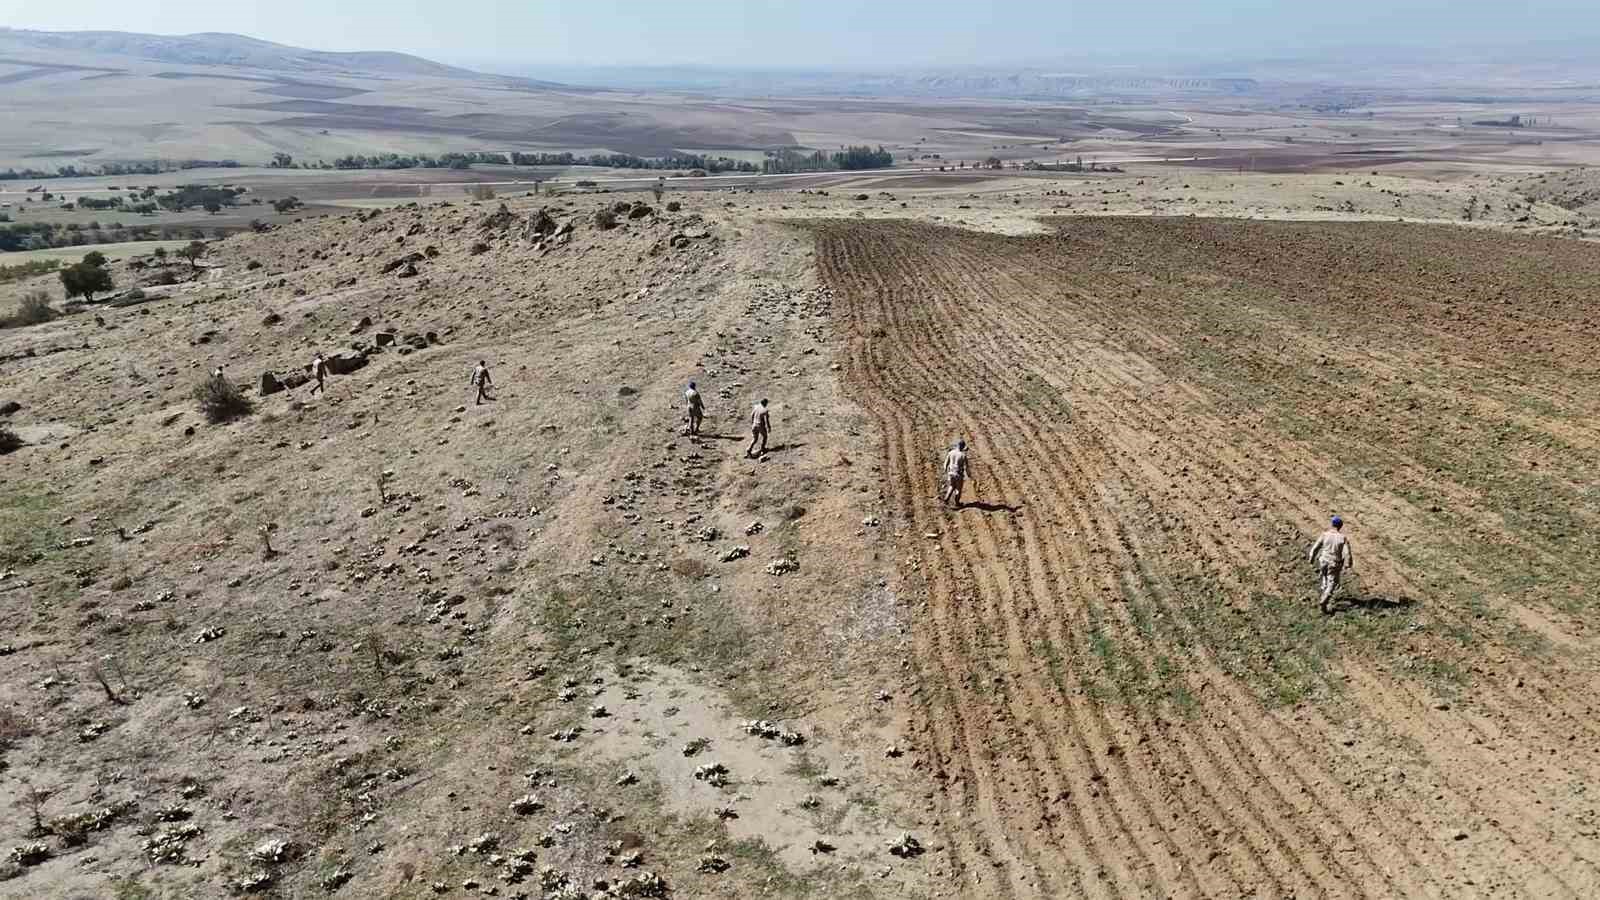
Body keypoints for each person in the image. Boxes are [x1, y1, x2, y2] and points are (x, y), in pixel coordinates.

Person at [1308, 516, 1354, 614]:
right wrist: (1349, 563)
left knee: (1324, 577)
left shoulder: (1325, 535)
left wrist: (1311, 559)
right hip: (1334, 563)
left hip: (1323, 561)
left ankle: (1323, 595)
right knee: (1332, 582)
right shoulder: (1342, 538)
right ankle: (1324, 600)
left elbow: (1315, 548)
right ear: (1340, 526)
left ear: (1332, 524)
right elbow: (1347, 553)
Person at [942, 439, 971, 509]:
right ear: (963, 447)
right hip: (958, 474)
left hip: (951, 473)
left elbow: (946, 463)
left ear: (957, 445)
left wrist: (945, 470)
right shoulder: (963, 455)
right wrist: (969, 474)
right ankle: (957, 503)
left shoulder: (951, 452)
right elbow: (967, 467)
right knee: (958, 489)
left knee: (951, 486)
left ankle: (946, 499)